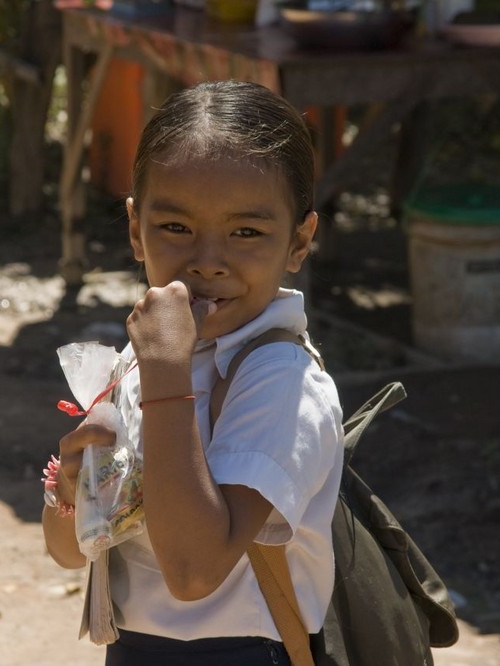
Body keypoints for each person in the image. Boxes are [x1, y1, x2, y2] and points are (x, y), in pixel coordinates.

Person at [42, 79, 345, 665]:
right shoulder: (143, 357)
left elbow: (192, 571)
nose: (208, 261)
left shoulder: (281, 381)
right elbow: (70, 552)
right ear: (136, 229)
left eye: (247, 233)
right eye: (176, 228)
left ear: (299, 240)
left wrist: (164, 377)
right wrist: (71, 486)